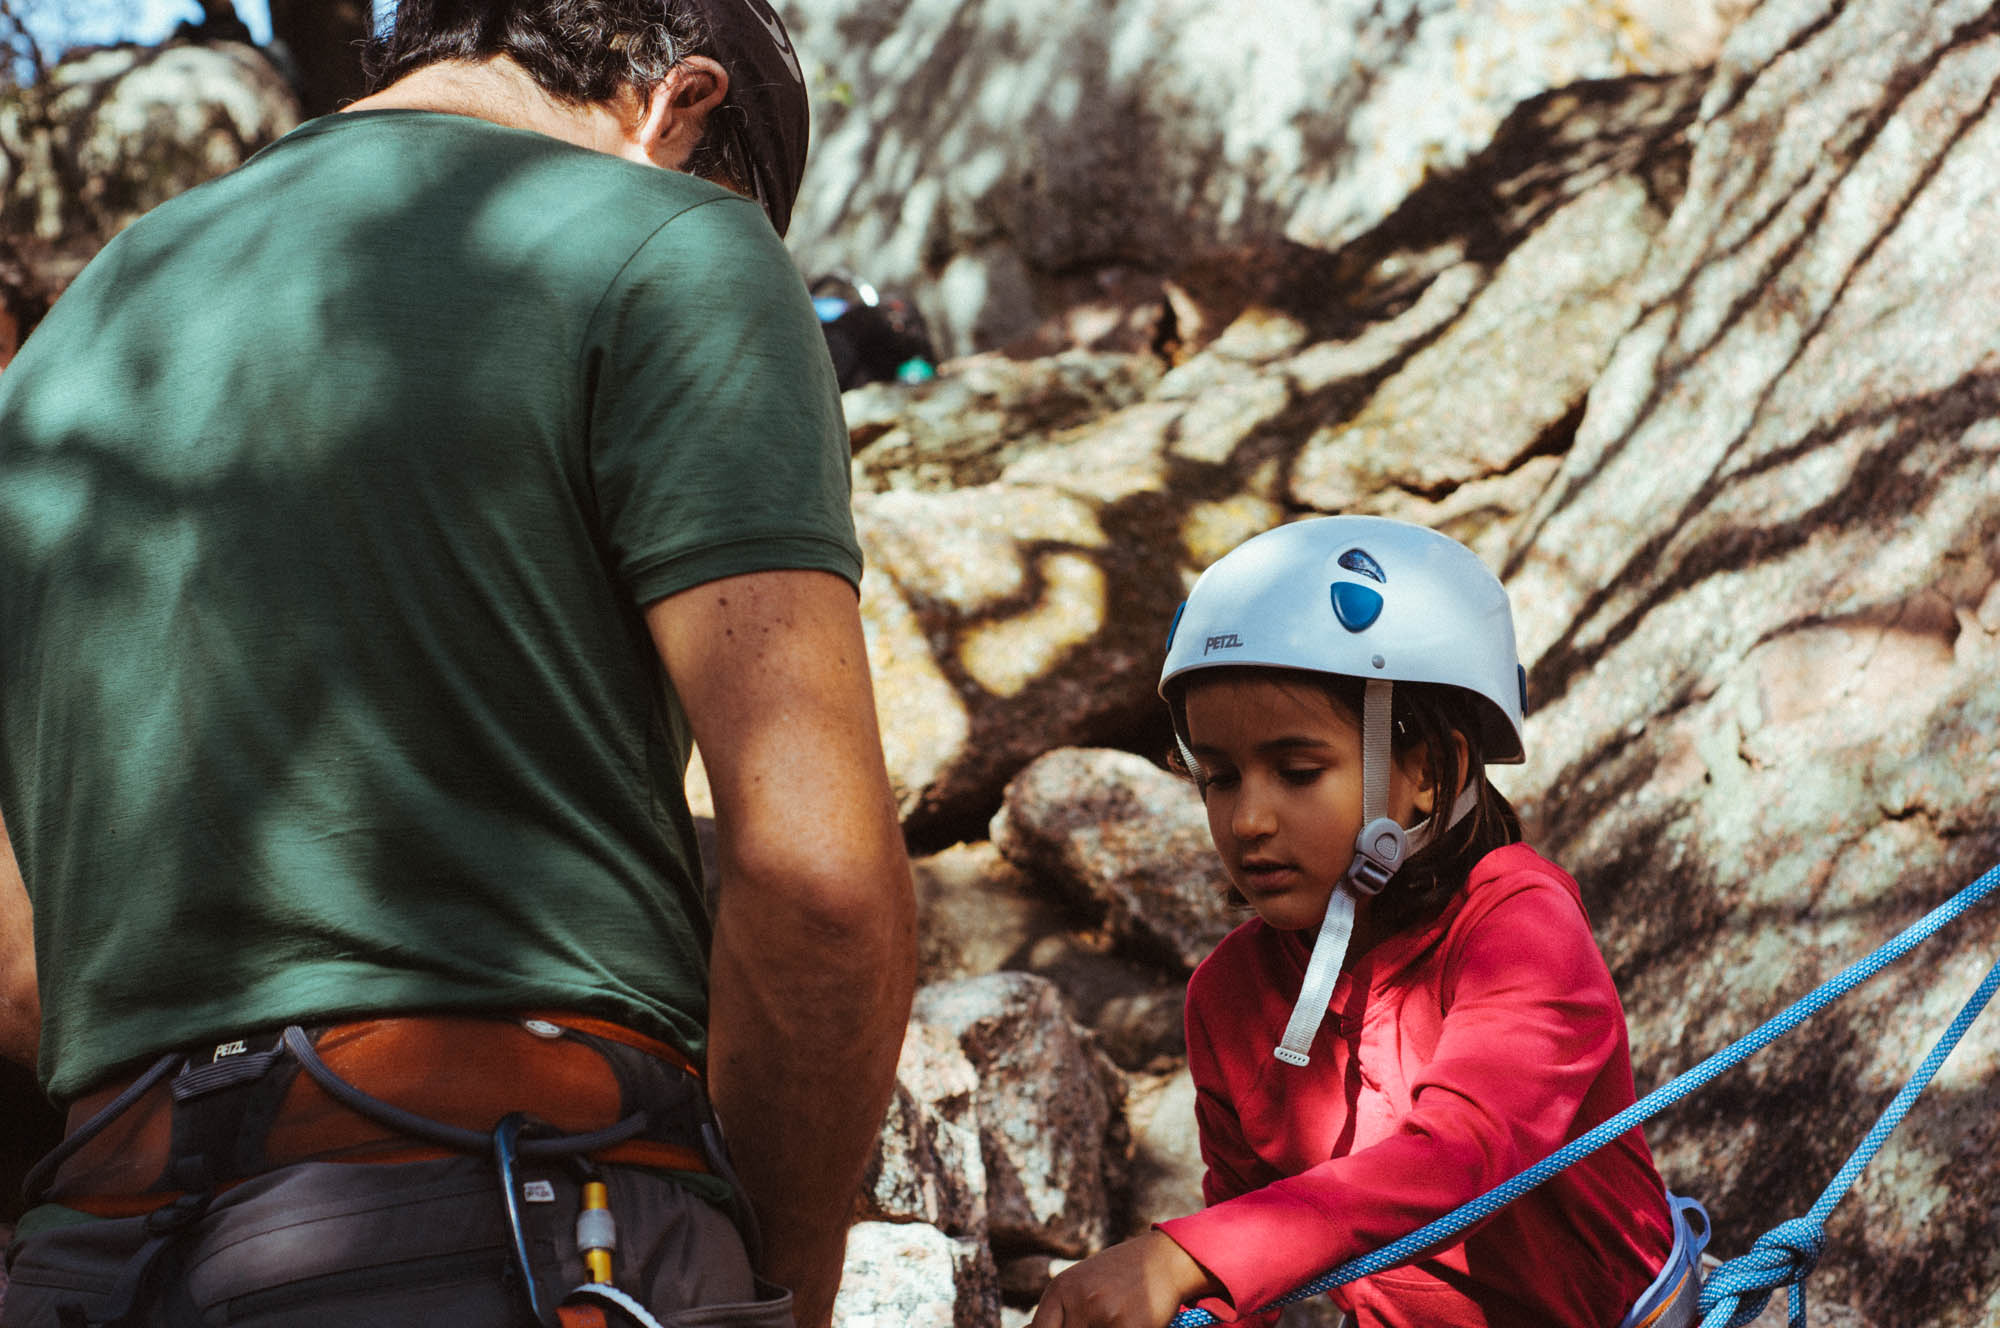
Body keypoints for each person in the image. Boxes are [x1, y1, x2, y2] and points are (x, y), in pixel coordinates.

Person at [0, 2, 916, 1325]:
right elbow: (816, 879)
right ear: (682, 106)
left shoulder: (65, 355)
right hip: (516, 1221)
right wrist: (780, 1285)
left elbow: (24, 983)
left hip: (99, 1248)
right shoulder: (668, 239)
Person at [1031, 516, 1709, 1328]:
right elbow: (1246, 1269)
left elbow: (1461, 1159)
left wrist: (1183, 1254)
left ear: (1424, 772)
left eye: (1297, 770)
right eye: (1218, 777)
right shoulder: (1233, 997)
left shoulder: (1519, 929)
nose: (1247, 818)